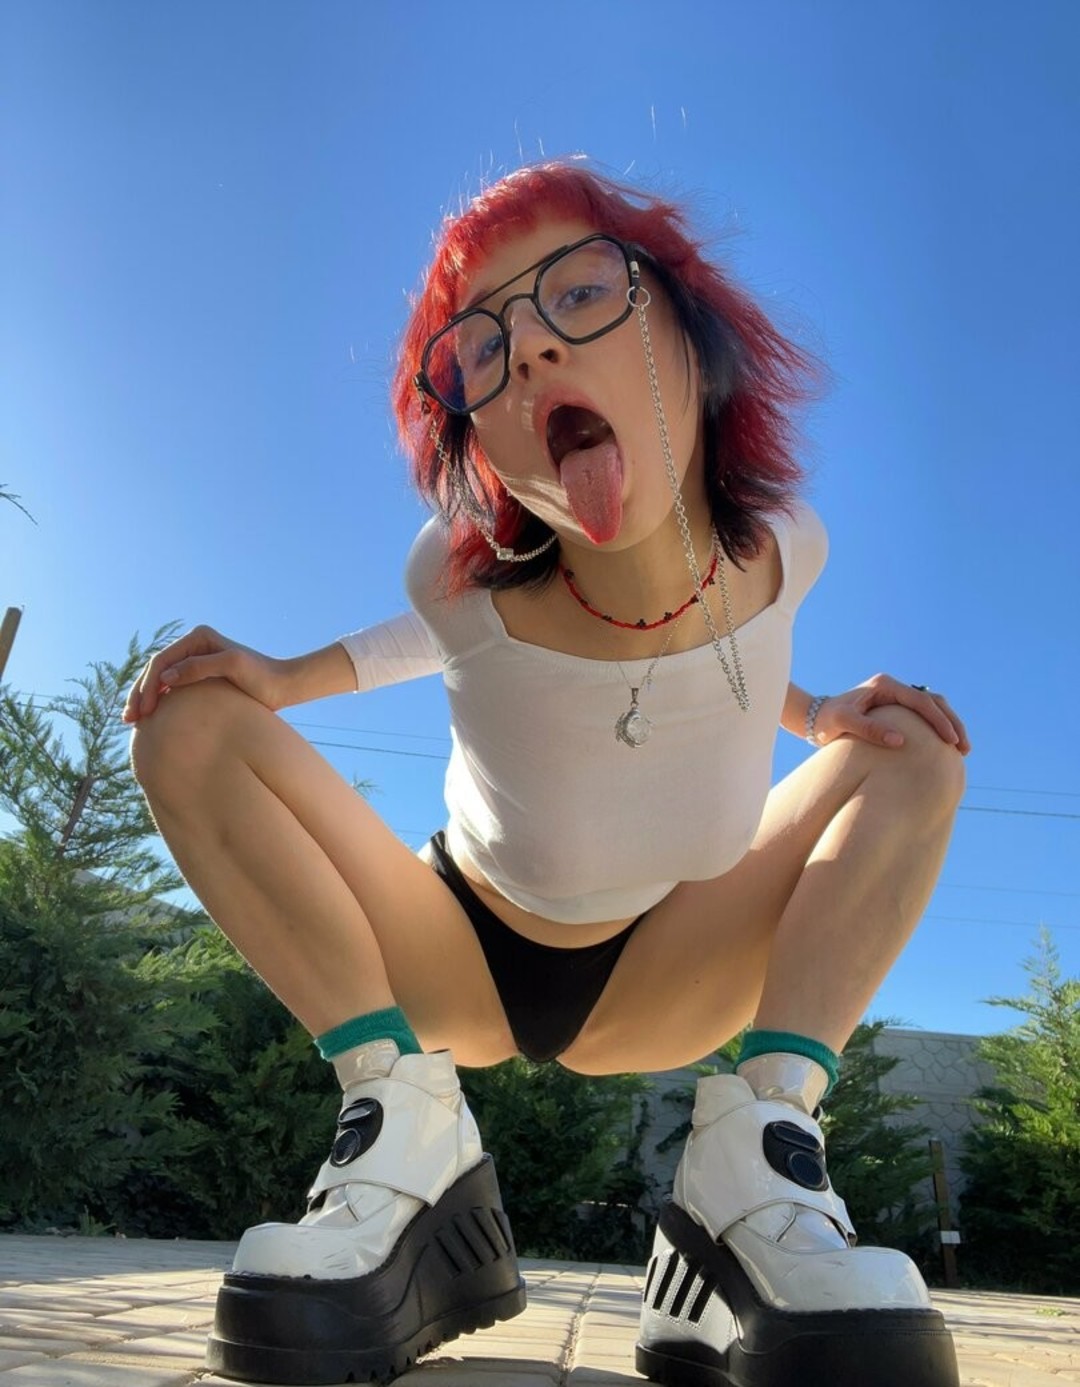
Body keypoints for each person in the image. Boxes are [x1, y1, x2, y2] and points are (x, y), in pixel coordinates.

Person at [124, 162, 969, 1387]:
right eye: (481, 348)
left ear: (694, 336)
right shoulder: (461, 584)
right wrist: (278, 676)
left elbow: (728, 656)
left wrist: (822, 713)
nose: (528, 350)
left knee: (913, 749)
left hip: (668, 970)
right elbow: (417, 639)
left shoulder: (786, 553)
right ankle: (398, 1128)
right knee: (186, 724)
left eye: (579, 291)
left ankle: (758, 1171)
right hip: (453, 954)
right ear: (476, 440)